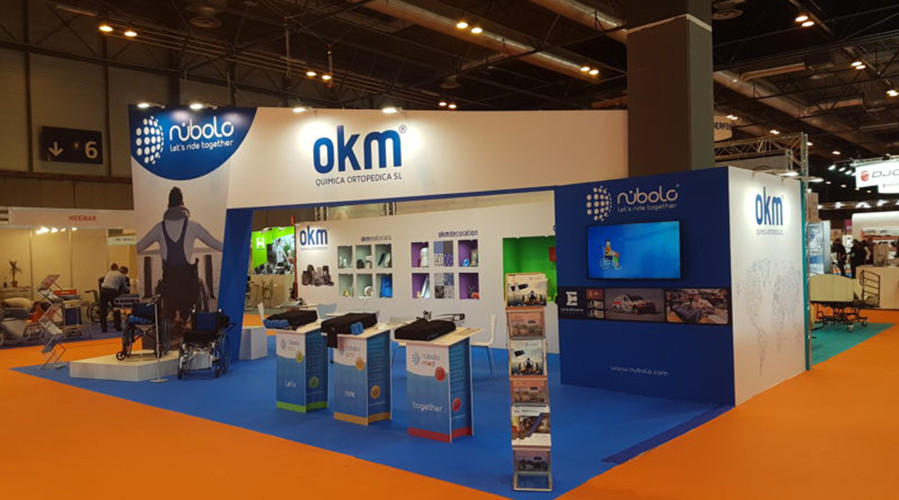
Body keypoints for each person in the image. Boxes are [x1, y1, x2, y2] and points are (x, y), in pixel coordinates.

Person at [137, 187, 223, 321]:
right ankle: (189, 318)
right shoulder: (193, 226)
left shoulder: (159, 228)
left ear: (168, 205)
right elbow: (216, 244)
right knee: (198, 284)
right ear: (183, 203)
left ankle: (170, 319)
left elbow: (138, 247)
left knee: (165, 291)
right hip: (189, 287)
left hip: (169, 286)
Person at [99, 264, 129, 332]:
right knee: (116, 309)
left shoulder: (110, 272)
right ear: (124, 272)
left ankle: (103, 328)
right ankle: (117, 327)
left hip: (103, 290)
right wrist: (130, 289)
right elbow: (125, 288)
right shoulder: (122, 276)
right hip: (112, 291)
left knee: (103, 310)